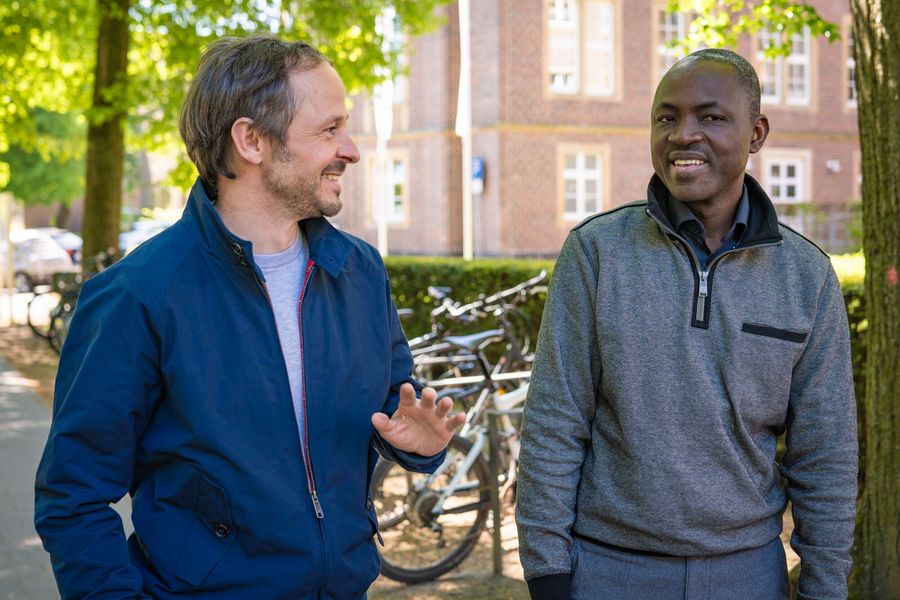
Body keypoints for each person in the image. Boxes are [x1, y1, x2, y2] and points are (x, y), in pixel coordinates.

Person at [34, 35, 465, 599]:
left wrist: (418, 444)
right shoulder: (136, 294)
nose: (351, 150)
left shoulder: (359, 271)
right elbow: (73, 497)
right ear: (252, 140)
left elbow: (393, 402)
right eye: (329, 130)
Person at [516, 48, 857, 600]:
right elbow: (555, 421)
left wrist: (824, 588)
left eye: (711, 117)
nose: (683, 135)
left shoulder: (806, 276)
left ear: (756, 133)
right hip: (607, 570)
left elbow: (826, 454)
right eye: (666, 117)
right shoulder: (596, 252)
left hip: (747, 575)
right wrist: (547, 572)